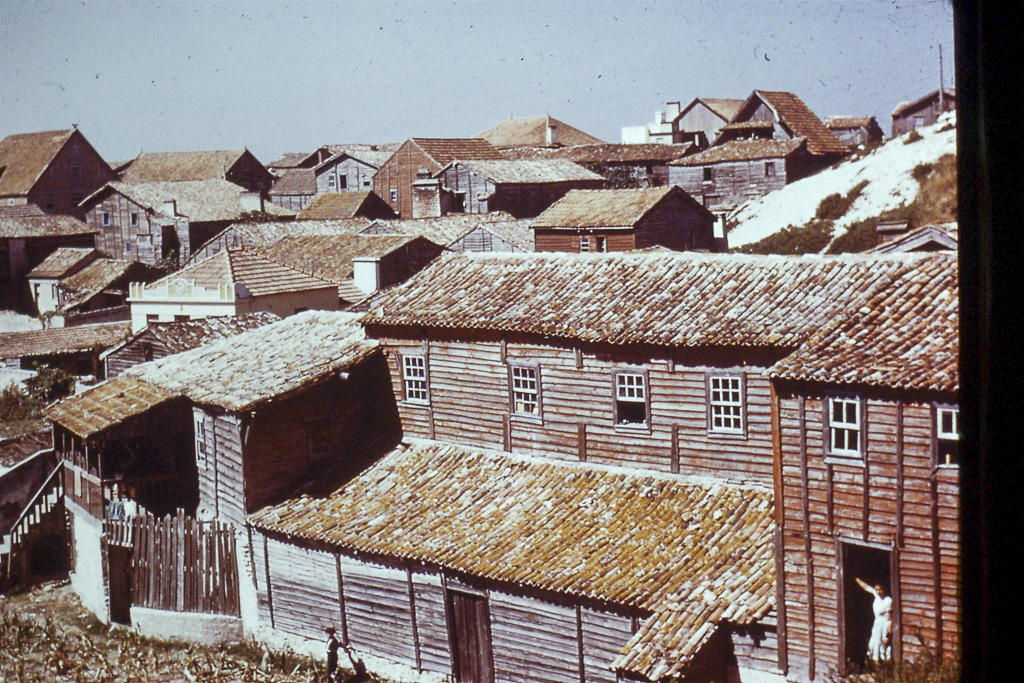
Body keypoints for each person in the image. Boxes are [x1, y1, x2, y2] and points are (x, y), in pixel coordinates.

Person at [856, 577, 892, 661]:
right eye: (877, 590)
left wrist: (888, 636)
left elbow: (891, 621)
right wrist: (856, 578)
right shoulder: (876, 596)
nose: (878, 592)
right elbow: (866, 587)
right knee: (874, 646)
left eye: (880, 590)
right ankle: (877, 668)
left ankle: (886, 670)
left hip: (885, 626)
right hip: (877, 625)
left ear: (884, 589)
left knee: (884, 649)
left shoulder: (888, 601)